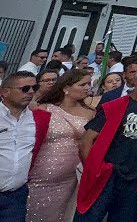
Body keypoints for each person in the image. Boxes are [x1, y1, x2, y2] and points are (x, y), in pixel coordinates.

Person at [75, 63, 137, 222]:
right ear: (136, 80)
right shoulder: (114, 106)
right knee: (89, 217)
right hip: (107, 175)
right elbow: (86, 140)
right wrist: (96, 169)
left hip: (132, 177)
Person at [29, 69, 95, 222]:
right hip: (39, 174)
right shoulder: (44, 108)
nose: (87, 88)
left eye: (89, 84)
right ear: (66, 88)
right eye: (82, 84)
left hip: (69, 178)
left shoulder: (91, 113)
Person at [0, 71, 51, 222]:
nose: (30, 92)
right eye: (25, 88)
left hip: (15, 196)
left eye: (34, 88)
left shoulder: (37, 118)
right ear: (5, 92)